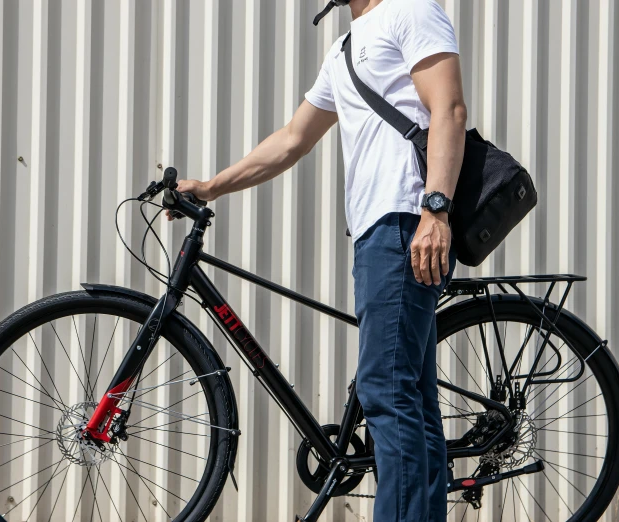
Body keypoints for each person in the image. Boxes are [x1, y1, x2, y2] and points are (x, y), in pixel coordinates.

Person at [172, 0, 466, 519]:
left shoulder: (411, 10)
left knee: (387, 392)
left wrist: (435, 210)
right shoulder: (346, 47)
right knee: (409, 398)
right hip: (377, 231)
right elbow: (292, 140)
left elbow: (449, 109)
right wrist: (211, 187)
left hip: (405, 222)